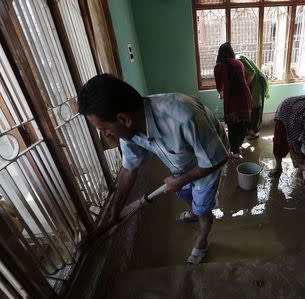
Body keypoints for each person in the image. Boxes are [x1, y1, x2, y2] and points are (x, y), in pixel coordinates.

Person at [78, 74, 229, 265]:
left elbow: (217, 159)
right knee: (187, 195)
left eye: (104, 128)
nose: (105, 134)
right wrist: (115, 210)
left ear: (123, 119)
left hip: (209, 156)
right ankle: (194, 211)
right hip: (181, 164)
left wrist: (180, 181)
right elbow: (128, 170)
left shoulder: (183, 116)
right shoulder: (130, 132)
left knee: (203, 205)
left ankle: (202, 238)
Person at [214, 42, 252, 159]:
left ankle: (234, 152)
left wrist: (221, 95)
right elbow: (241, 81)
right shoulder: (239, 63)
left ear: (220, 54)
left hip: (232, 100)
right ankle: (237, 146)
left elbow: (220, 87)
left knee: (232, 126)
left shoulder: (219, 67)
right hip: (245, 97)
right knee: (242, 124)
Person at [236, 53, 269, 140]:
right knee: (251, 107)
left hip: (258, 82)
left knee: (256, 107)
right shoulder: (237, 59)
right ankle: (251, 130)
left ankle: (255, 132)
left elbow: (252, 72)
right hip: (254, 82)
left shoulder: (239, 59)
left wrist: (246, 86)